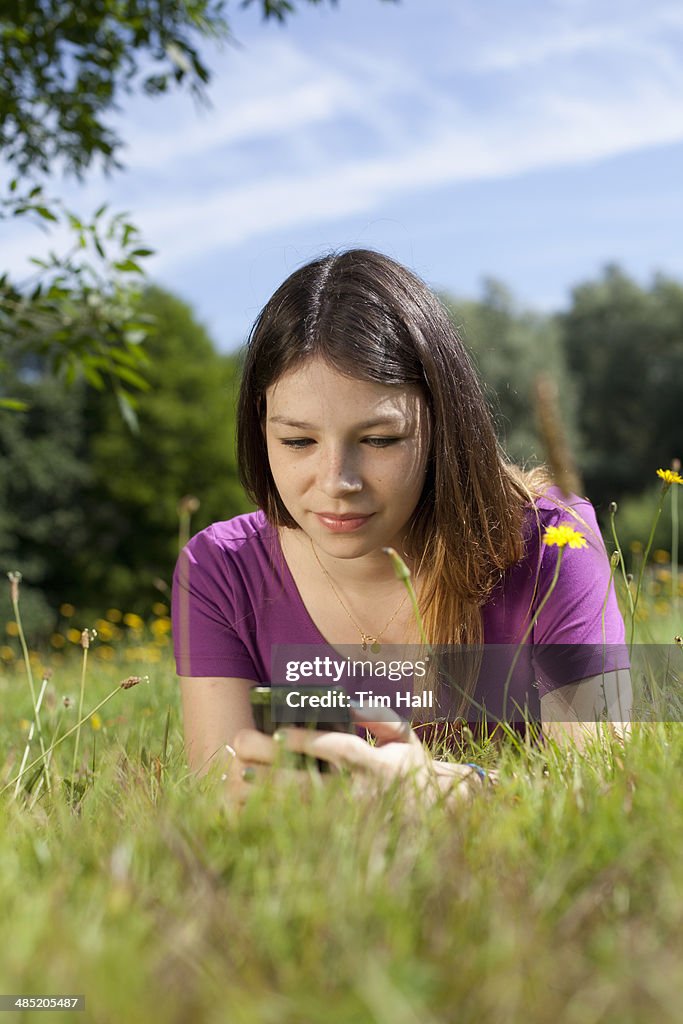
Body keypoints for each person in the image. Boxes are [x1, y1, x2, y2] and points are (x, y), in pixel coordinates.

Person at [172, 248, 632, 808]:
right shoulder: (220, 569)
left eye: (379, 440)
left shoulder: (554, 543)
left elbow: (602, 789)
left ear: (443, 426)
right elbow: (218, 798)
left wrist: (438, 793)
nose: (337, 481)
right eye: (297, 441)